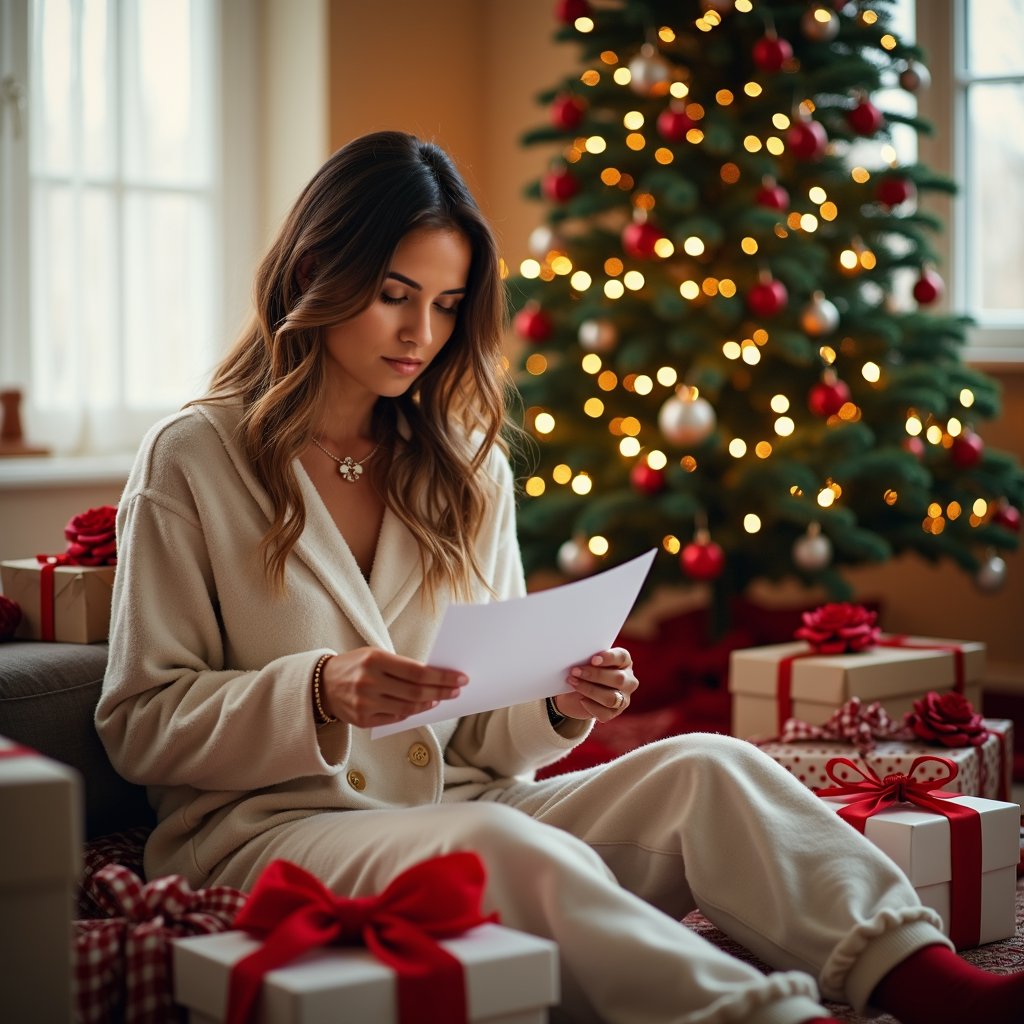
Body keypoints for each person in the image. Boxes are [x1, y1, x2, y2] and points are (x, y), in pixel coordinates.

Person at [96, 130, 1022, 1024]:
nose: (424, 331)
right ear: (314, 275)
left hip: (460, 803)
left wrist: (558, 701)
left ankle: (926, 979)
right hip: (270, 836)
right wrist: (319, 694)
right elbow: (139, 726)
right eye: (394, 294)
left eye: (450, 303)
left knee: (715, 763)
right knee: (496, 846)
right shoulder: (195, 458)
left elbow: (482, 744)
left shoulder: (463, 463)